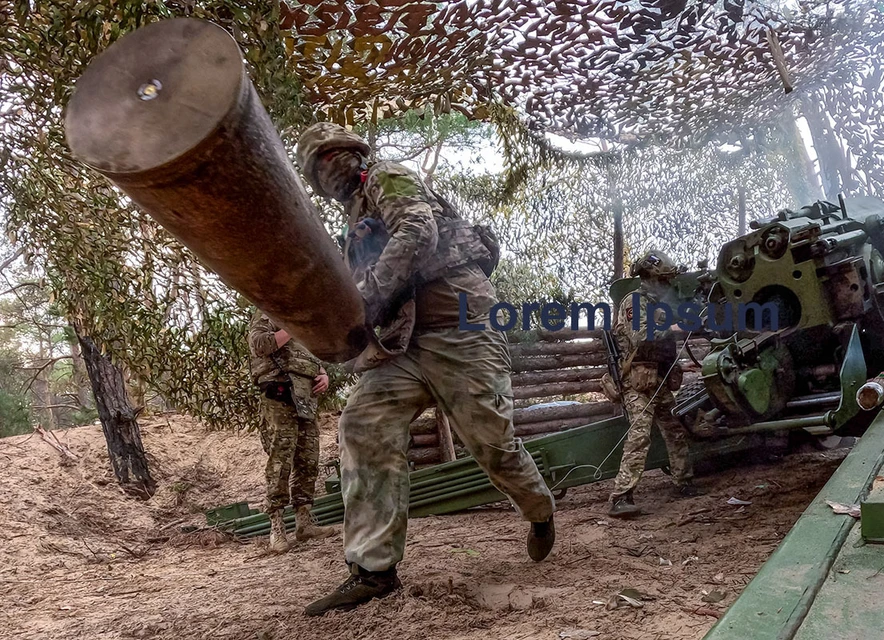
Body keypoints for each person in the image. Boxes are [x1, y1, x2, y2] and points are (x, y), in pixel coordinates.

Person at [296, 122, 556, 616]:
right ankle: (373, 572)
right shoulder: (353, 225)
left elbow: (418, 229)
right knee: (362, 425)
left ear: (355, 154)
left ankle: (540, 511)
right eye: (318, 167)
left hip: (463, 334)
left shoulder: (387, 177)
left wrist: (367, 298)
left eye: (333, 157)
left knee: (493, 447)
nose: (328, 172)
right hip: (404, 349)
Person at [608, 250, 703, 519]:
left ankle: (683, 482)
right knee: (640, 436)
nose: (667, 285)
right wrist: (676, 326)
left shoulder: (658, 304)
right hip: (636, 381)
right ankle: (620, 497)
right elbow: (640, 337)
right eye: (663, 280)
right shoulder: (633, 301)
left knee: (674, 429)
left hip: (656, 379)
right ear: (649, 278)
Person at [248, 308, 333, 552]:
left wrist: (323, 374)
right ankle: (277, 528)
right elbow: (260, 345)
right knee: (281, 461)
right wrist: (292, 328)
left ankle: (304, 524)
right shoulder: (267, 313)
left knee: (308, 459)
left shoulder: (302, 319)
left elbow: (313, 355)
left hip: (305, 398)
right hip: (279, 395)